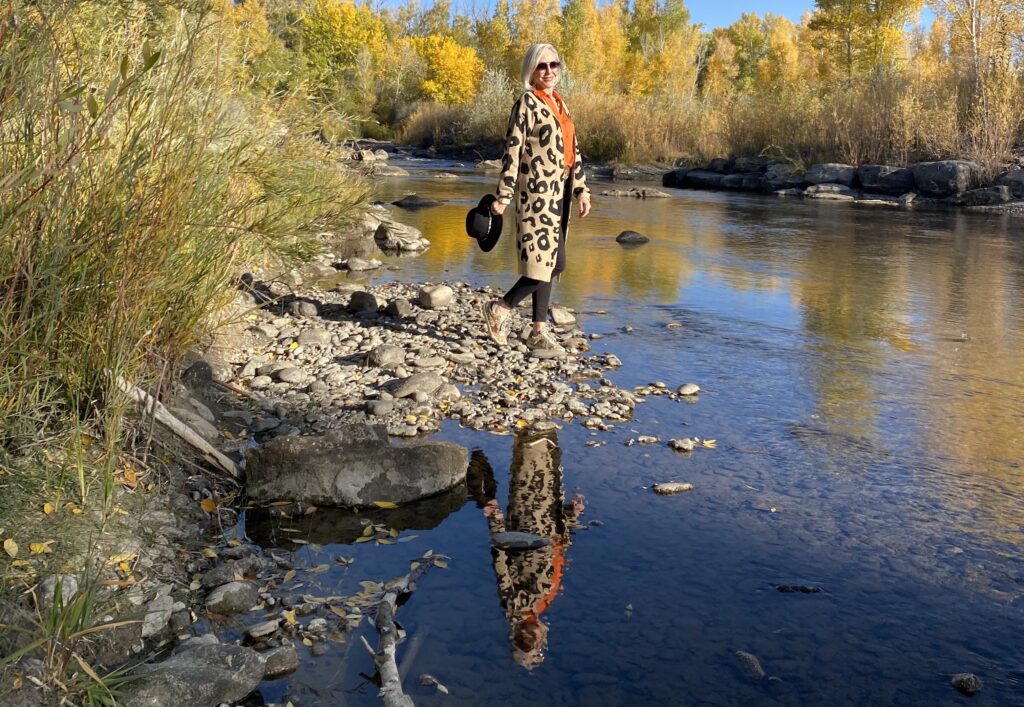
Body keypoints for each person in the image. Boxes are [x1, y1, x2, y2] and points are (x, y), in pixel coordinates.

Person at [481, 43, 592, 353]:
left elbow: (575, 154)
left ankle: (537, 330)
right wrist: (504, 194)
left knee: (553, 264)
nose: (549, 71)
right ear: (531, 70)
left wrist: (582, 190)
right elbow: (512, 151)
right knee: (543, 264)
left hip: (561, 195)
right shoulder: (526, 103)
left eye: (554, 65)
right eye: (542, 66)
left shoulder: (560, 103)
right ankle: (501, 308)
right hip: (536, 194)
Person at [473, 429, 585, 669]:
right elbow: (555, 560)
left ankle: (528, 438)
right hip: (551, 528)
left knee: (531, 484)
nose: (540, 639)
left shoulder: (516, 606)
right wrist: (571, 517)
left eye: (534, 644)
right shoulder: (538, 608)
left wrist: (495, 521)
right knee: (549, 478)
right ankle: (538, 437)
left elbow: (501, 561)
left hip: (531, 527)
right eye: (537, 645)